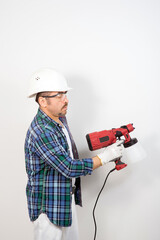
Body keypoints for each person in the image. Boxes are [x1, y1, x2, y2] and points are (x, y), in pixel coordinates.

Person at [24, 68, 124, 240]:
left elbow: (66, 155)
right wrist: (105, 157)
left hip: (64, 200)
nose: (66, 100)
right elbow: (68, 167)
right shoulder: (41, 130)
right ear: (42, 101)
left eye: (65, 94)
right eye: (59, 95)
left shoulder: (59, 119)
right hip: (48, 208)